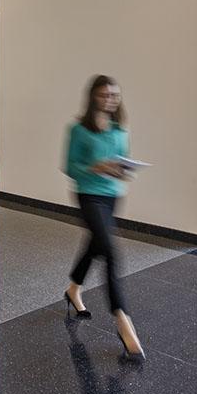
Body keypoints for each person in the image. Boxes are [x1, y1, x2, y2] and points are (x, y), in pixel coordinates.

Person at [63, 75, 144, 360]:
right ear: (93, 97)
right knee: (110, 251)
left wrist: (122, 170)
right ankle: (122, 319)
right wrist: (96, 167)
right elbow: (70, 167)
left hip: (112, 196)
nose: (109, 99)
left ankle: (73, 289)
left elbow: (123, 162)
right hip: (88, 195)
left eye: (114, 95)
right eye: (104, 94)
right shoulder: (78, 130)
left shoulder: (120, 130)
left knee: (96, 245)